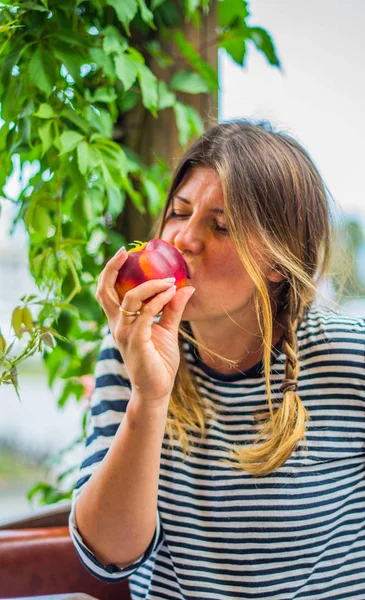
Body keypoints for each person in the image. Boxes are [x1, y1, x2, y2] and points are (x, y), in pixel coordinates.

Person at [69, 119, 365, 599]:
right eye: (179, 213)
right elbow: (108, 557)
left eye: (220, 225)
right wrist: (148, 398)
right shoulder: (130, 349)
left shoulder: (348, 356)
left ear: (277, 260)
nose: (184, 239)